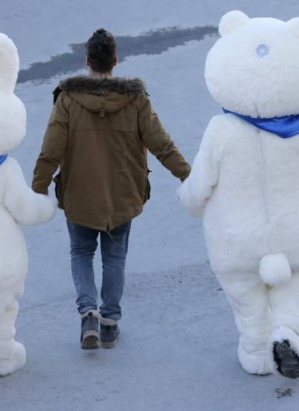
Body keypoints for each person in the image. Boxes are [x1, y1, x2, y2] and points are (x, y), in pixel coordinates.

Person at [32, 28, 191, 350]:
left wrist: (38, 190)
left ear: (87, 60)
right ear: (115, 61)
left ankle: (87, 311)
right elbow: (161, 144)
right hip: (122, 197)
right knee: (115, 259)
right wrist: (189, 177)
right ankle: (109, 321)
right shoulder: (135, 100)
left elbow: (51, 149)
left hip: (79, 196)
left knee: (81, 252)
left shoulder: (67, 99)